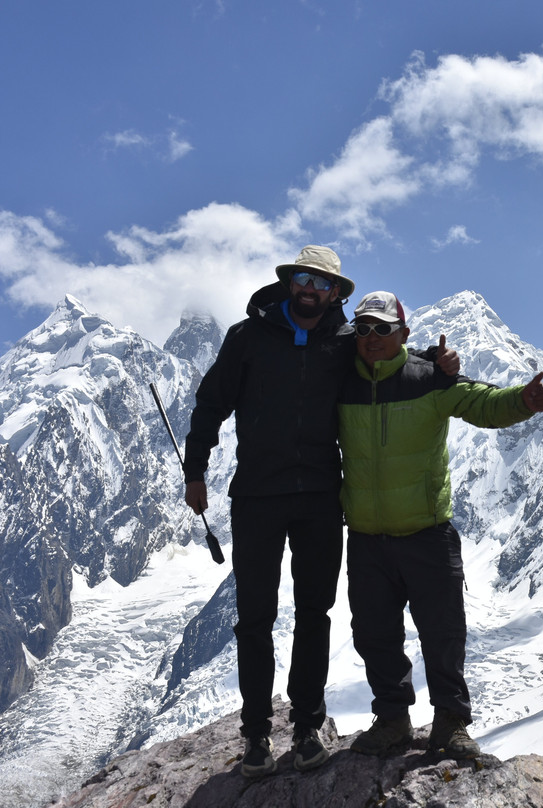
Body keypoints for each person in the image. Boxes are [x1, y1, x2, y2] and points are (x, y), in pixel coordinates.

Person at [182, 248, 458, 778]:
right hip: (258, 497)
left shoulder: (344, 341)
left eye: (322, 282)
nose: (311, 288)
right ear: (290, 283)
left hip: (319, 500)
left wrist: (440, 364)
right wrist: (195, 472)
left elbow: (391, 357)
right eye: (302, 278)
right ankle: (258, 734)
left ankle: (307, 727)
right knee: (255, 619)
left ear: (337, 293)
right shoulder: (247, 337)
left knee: (314, 614)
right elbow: (211, 401)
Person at [338, 290, 543, 760]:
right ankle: (392, 720)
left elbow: (481, 402)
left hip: (427, 532)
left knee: (443, 632)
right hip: (368, 537)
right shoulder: (340, 381)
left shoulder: (429, 377)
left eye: (382, 329)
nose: (371, 338)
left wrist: (523, 401)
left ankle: (451, 723)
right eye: (363, 329)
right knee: (374, 633)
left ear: (403, 335)